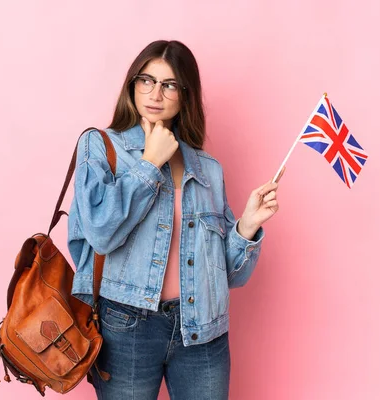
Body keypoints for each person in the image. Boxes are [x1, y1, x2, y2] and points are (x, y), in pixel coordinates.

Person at [67, 40, 281, 400]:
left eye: (169, 85)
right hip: (126, 326)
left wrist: (246, 226)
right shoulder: (101, 146)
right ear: (132, 84)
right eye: (146, 80)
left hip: (202, 330)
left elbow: (229, 276)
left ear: (186, 95)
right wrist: (149, 164)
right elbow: (101, 233)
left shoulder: (208, 168)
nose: (155, 93)